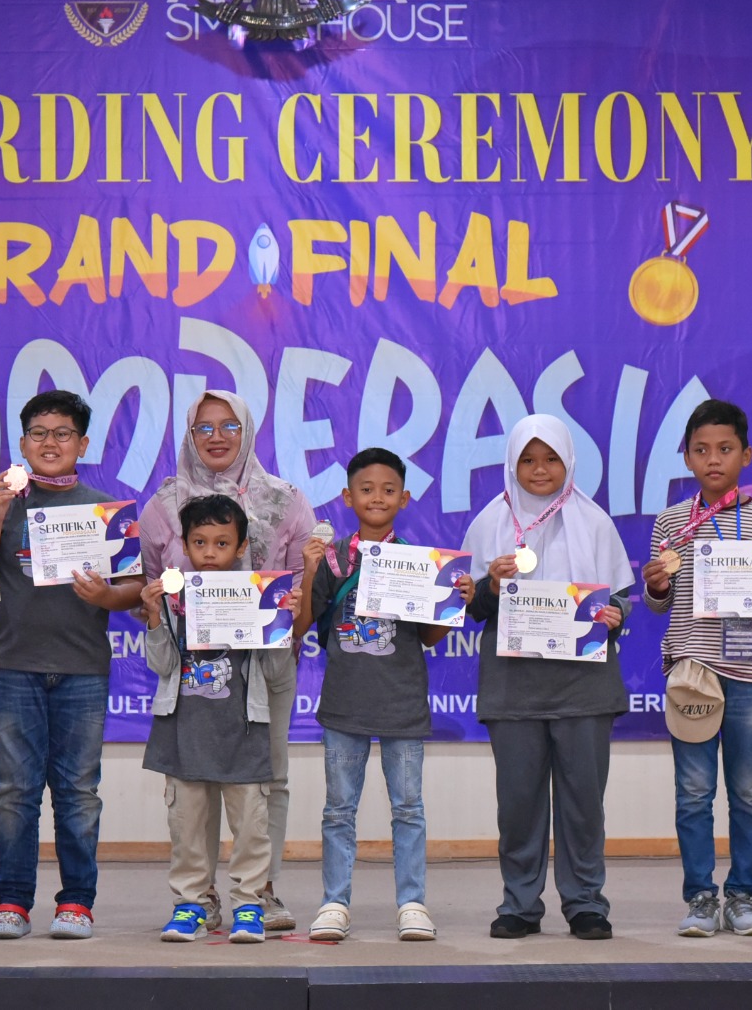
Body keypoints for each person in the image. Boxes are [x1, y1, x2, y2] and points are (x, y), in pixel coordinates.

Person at [137, 389, 314, 930]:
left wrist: (286, 614)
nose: (217, 437)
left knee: (262, 782)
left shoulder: (286, 499)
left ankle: (258, 894)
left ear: (248, 431)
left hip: (261, 672)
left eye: (229, 426)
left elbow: (304, 587)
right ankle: (198, 898)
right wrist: (155, 611)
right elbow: (152, 582)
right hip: (189, 681)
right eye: (204, 427)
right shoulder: (164, 504)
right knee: (192, 792)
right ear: (190, 435)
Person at [0, 390, 142, 940]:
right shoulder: (1, 501)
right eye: (39, 433)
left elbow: (135, 587)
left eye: (63, 433)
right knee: (14, 792)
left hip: (82, 668)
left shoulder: (105, 509)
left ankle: (77, 903)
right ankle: (12, 901)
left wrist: (106, 597)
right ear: (23, 443)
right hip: (12, 665)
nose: (50, 442)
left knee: (78, 793)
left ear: (82, 444)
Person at [641, 399, 752, 937]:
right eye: (701, 450)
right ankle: (699, 898)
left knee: (749, 793)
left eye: (725, 449)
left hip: (749, 673)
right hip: (691, 670)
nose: (713, 459)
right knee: (693, 793)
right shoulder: (672, 522)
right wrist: (655, 585)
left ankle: (742, 896)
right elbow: (659, 603)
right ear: (687, 458)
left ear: (746, 455)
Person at [462, 416, 635, 940]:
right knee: (518, 806)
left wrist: (616, 615)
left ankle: (585, 903)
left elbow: (619, 598)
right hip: (513, 687)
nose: (540, 470)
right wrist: (492, 586)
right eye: (528, 460)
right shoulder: (490, 522)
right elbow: (470, 607)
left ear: (569, 462)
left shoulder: (595, 521)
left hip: (585, 688)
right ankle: (520, 904)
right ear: (512, 464)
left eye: (551, 459)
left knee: (584, 806)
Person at [293, 448, 474, 942]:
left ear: (405, 498)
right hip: (344, 703)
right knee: (338, 811)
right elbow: (301, 626)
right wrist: (308, 570)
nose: (377, 497)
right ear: (348, 497)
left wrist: (453, 602)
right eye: (367, 489)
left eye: (388, 490)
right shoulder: (332, 559)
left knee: (409, 808)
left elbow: (429, 637)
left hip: (402, 703)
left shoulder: (420, 563)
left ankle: (412, 903)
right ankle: (334, 903)